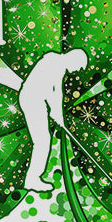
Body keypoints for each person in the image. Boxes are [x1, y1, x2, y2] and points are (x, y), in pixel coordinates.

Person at [18, 48, 88, 191]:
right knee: (42, 141)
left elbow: (56, 92)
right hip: (32, 100)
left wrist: (57, 114)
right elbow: (53, 93)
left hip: (36, 100)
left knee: (43, 140)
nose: (76, 70)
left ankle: (33, 178)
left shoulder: (57, 63)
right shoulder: (54, 62)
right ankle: (32, 179)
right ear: (73, 59)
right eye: (78, 66)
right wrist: (57, 113)